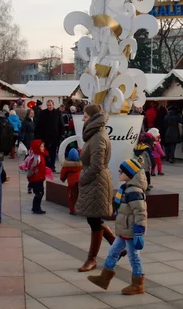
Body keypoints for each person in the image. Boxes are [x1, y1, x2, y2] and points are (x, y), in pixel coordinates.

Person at [87, 158, 148, 295]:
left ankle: (138, 284)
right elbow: (123, 208)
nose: (119, 173)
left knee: (134, 257)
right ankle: (104, 278)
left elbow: (140, 212)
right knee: (114, 252)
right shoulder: (125, 189)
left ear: (130, 174)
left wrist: (139, 231)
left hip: (131, 231)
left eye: (122, 171)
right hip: (123, 230)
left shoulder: (134, 191)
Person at [76, 105, 123, 273]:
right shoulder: (95, 134)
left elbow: (97, 164)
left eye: (86, 116)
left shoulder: (98, 137)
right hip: (94, 181)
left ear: (93, 118)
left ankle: (92, 259)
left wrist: (82, 178)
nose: (83, 119)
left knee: (94, 220)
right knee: (94, 219)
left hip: (97, 182)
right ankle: (118, 247)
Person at [35, 99, 64, 172]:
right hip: (44, 137)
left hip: (55, 136)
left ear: (53, 105)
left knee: (53, 152)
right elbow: (38, 124)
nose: (49, 107)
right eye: (48, 105)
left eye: (50, 105)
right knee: (45, 152)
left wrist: (60, 136)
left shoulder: (58, 113)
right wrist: (38, 136)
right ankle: (47, 165)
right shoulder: (42, 113)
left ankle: (52, 166)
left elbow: (61, 125)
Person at [27, 139, 47, 215]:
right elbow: (31, 168)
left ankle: (36, 207)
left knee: (40, 193)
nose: (43, 148)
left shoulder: (40, 155)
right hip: (36, 179)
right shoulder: (36, 157)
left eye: (43, 146)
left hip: (40, 178)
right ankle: (36, 208)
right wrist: (31, 176)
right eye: (41, 146)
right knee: (39, 193)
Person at [60, 147, 82, 215]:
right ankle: (80, 209)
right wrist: (80, 150)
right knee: (80, 196)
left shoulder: (66, 166)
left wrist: (62, 179)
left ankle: (72, 210)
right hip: (81, 181)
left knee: (72, 197)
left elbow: (63, 175)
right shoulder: (80, 165)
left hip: (72, 184)